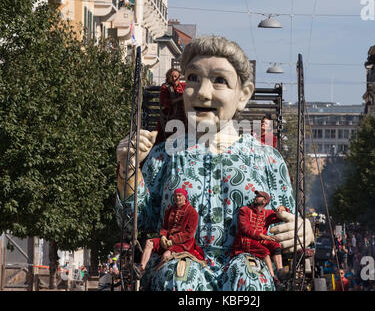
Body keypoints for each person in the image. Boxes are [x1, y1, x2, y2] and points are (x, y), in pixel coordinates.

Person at [116, 35, 314, 291]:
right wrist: (128, 168)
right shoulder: (163, 156)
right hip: (179, 269)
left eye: (219, 81)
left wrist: (302, 229)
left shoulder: (267, 159)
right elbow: (134, 220)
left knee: (249, 278)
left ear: (243, 95)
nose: (202, 92)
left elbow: (285, 221)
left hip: (245, 273)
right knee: (179, 277)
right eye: (194, 78)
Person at [133, 188, 204, 278]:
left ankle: (154, 276)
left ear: (185, 197)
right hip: (167, 240)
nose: (177, 198)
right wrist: (163, 236)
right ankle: (141, 269)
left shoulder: (192, 212)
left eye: (179, 196)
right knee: (149, 243)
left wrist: (173, 240)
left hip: (183, 243)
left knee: (166, 255)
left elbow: (189, 234)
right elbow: (165, 227)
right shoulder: (170, 210)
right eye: (175, 196)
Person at [231, 190, 288, 282]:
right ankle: (273, 278)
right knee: (264, 251)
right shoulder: (244, 210)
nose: (255, 197)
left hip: (259, 240)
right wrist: (263, 236)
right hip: (245, 240)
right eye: (256, 196)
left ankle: (280, 271)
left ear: (264, 201)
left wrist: (282, 208)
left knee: (276, 245)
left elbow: (281, 216)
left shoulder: (267, 213)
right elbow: (245, 228)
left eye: (258, 196)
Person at [155, 68, 187, 144]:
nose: (174, 78)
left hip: (183, 119)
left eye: (176, 76)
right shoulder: (165, 87)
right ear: (168, 77)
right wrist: (179, 99)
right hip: (169, 118)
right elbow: (164, 103)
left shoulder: (183, 86)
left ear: (179, 77)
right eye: (172, 76)